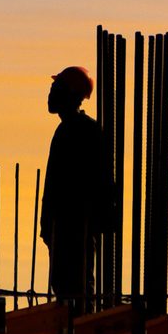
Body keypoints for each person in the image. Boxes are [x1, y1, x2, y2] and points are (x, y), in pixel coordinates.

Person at [40, 65, 109, 310]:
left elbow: (98, 183)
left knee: (77, 293)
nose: (50, 94)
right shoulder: (66, 130)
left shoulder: (85, 131)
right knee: (64, 290)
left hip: (76, 228)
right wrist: (48, 226)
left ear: (70, 93)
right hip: (62, 229)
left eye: (55, 88)